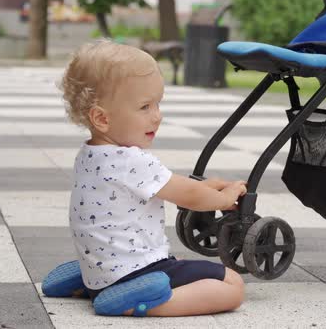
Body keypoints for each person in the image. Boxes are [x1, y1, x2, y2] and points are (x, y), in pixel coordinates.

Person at [59, 38, 247, 316]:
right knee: (233, 285)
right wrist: (224, 197)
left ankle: (92, 282)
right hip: (136, 270)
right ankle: (141, 302)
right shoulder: (132, 160)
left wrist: (206, 187)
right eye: (144, 107)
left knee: (175, 266)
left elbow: (167, 188)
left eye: (157, 104)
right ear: (102, 119)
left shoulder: (90, 154)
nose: (156, 116)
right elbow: (189, 196)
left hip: (105, 271)